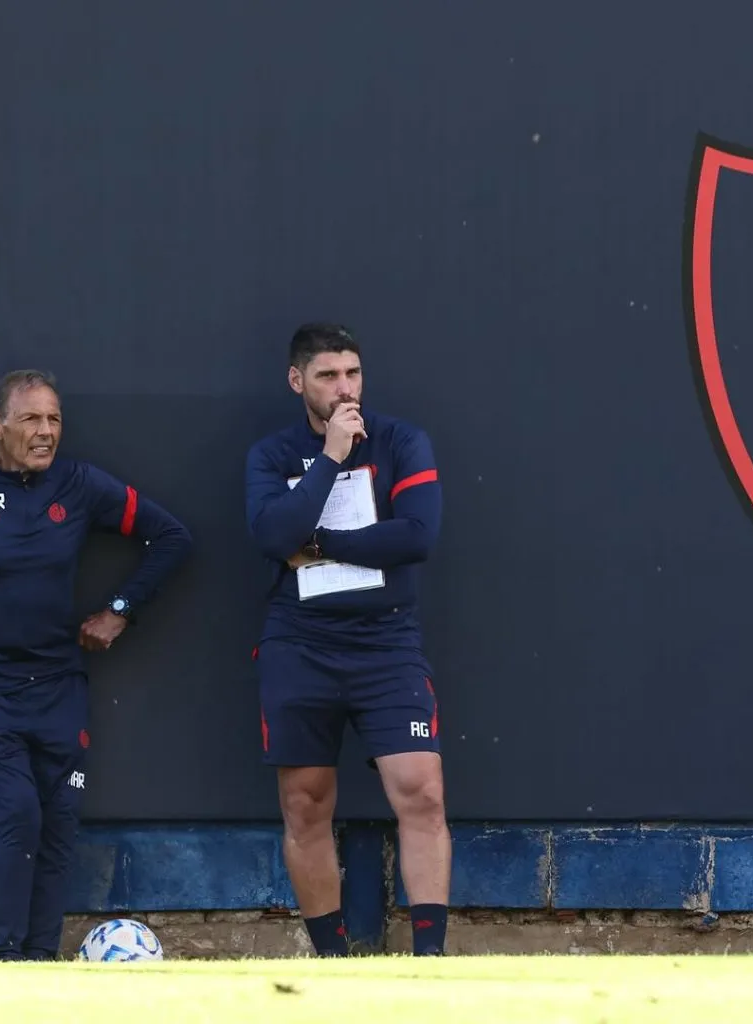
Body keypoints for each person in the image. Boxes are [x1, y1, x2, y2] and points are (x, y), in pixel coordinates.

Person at [0, 369, 192, 961]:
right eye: (32, 419)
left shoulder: (80, 484)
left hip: (58, 684)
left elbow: (171, 537)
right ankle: (8, 958)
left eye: (55, 419)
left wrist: (120, 610)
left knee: (61, 817)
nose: (46, 432)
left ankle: (40, 961)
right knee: (17, 810)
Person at [245, 323, 451, 957]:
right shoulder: (273, 455)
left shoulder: (400, 442)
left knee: (421, 788)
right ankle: (333, 962)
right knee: (305, 803)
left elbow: (415, 537)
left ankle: (430, 960)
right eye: (329, 376)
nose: (344, 388)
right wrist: (332, 457)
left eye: (353, 374)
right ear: (297, 381)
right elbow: (274, 536)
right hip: (300, 644)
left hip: (385, 643)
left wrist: (325, 545)